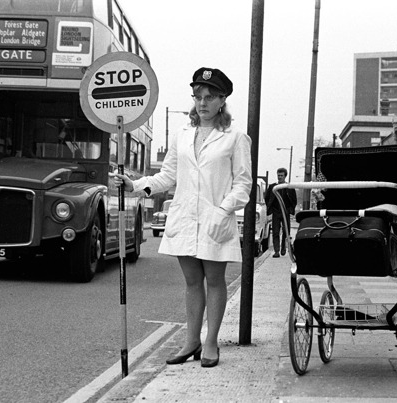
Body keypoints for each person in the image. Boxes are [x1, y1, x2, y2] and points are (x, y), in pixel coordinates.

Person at [114, 67, 252, 368]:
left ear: (222, 100)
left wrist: (222, 210)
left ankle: (211, 342)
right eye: (198, 97)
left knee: (214, 281)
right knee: (192, 282)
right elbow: (167, 176)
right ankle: (191, 341)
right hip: (186, 218)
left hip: (217, 219)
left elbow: (243, 185)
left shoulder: (235, 138)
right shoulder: (183, 135)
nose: (202, 103)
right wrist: (136, 186)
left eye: (209, 97)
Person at [265, 167, 297, 258]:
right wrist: (270, 207)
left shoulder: (289, 187)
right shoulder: (272, 187)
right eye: (278, 175)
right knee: (275, 231)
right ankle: (277, 251)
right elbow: (267, 197)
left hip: (285, 211)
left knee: (286, 231)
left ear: (285, 176)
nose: (279, 177)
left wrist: (290, 209)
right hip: (276, 212)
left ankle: (283, 248)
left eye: (281, 175)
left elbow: (294, 200)